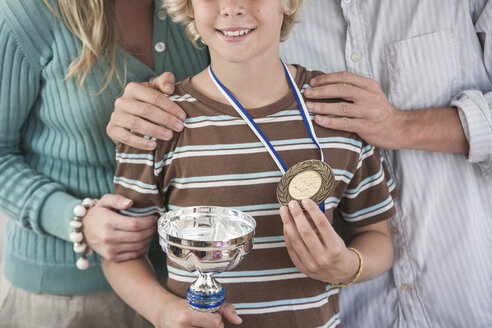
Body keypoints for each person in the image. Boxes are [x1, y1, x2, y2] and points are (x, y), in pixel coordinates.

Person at [107, 1, 492, 327]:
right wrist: (164, 313)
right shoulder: (159, 122)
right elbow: (121, 252)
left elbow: (378, 238)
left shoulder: (341, 113)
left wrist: (348, 267)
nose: (232, 7)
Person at [0, 0, 208, 326]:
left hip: (190, 287)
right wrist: (77, 220)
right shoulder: (26, 10)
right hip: (67, 297)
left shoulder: (202, 5)